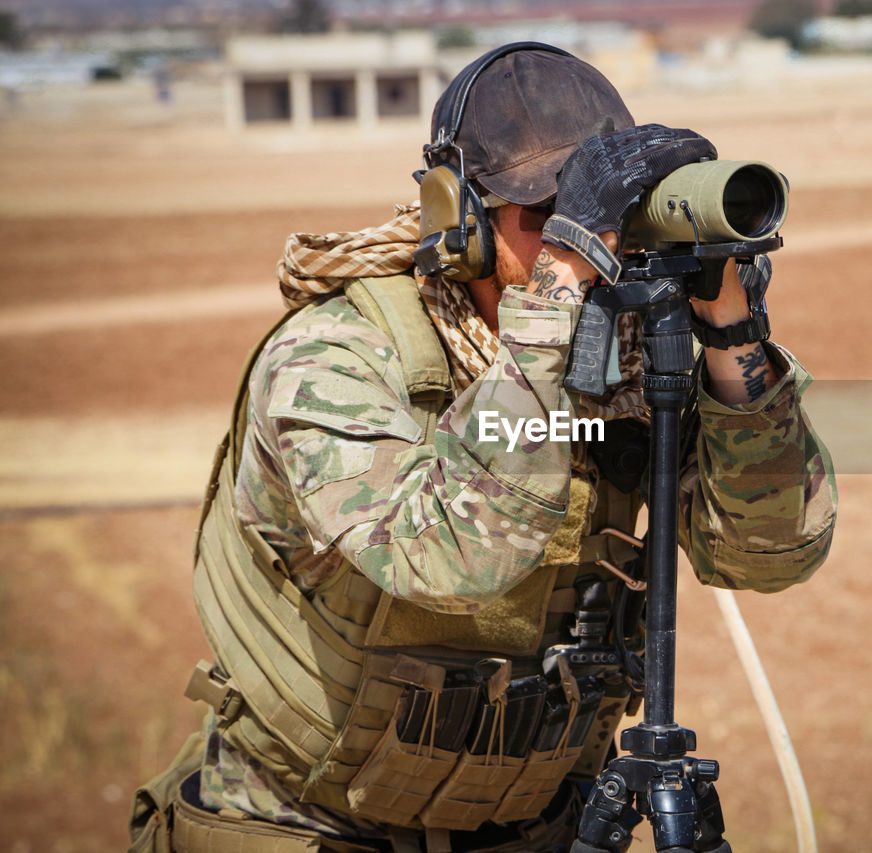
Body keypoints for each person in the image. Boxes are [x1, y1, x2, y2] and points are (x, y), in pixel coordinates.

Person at [129, 42, 836, 853]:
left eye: (610, 221)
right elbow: (451, 559)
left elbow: (769, 555)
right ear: (457, 217)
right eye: (547, 219)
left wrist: (731, 338)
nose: (597, 250)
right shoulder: (337, 356)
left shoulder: (634, 362)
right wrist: (558, 289)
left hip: (534, 829)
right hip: (307, 825)